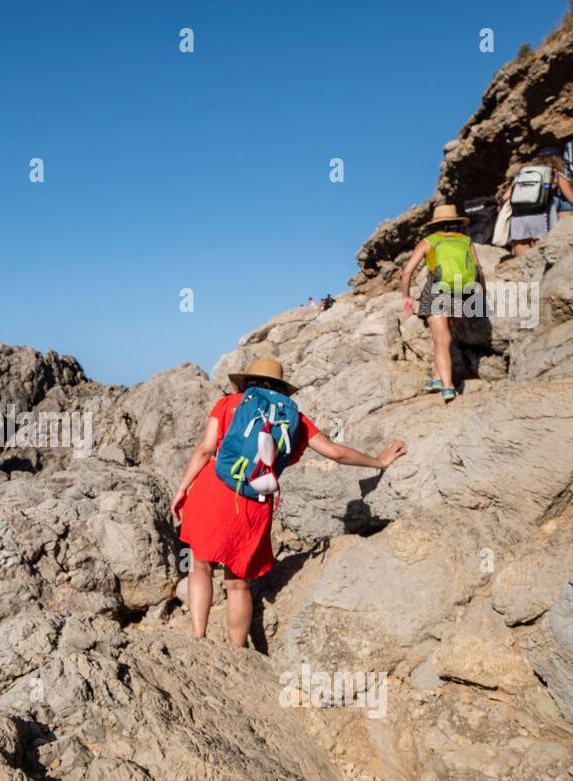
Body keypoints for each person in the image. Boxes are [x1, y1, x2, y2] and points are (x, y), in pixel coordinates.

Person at [171, 357, 407, 649]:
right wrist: (378, 461)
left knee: (200, 567)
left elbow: (206, 450)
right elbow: (335, 452)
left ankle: (198, 639)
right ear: (282, 388)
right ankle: (237, 652)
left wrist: (183, 488)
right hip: (253, 500)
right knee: (238, 583)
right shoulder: (294, 417)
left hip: (213, 489)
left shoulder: (228, 403)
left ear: (246, 381)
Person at [398, 203, 484, 403]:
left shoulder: (429, 241)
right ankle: (438, 378)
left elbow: (407, 271)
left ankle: (447, 386)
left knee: (441, 341)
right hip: (462, 292)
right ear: (455, 222)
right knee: (448, 336)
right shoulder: (466, 241)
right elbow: (478, 269)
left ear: (435, 223)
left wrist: (406, 296)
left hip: (437, 291)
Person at [501, 147, 573, 256]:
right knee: (537, 257)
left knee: (521, 253)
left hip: (519, 218)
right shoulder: (556, 175)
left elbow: (505, 197)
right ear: (558, 159)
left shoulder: (523, 175)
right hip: (541, 217)